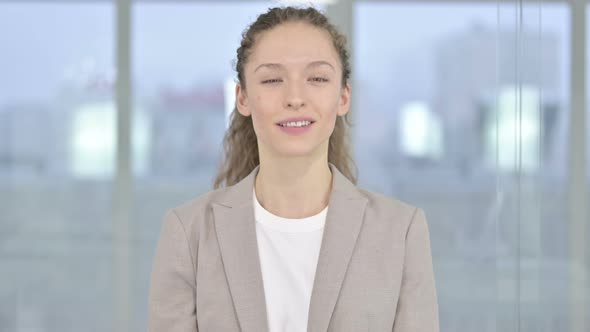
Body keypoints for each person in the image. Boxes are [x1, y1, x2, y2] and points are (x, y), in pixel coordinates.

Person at [148, 6, 439, 332]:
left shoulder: (401, 232)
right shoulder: (189, 233)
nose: (295, 97)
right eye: (272, 79)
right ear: (242, 98)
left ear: (343, 96)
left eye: (317, 78)